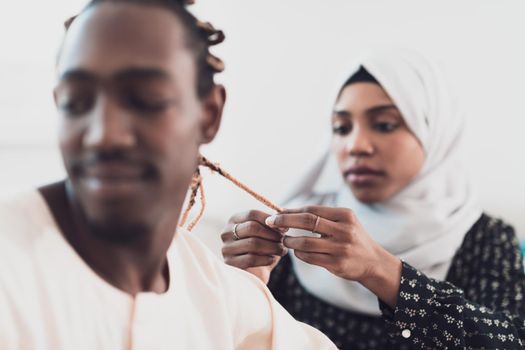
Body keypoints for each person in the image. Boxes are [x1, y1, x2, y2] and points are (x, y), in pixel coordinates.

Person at [0, 1, 337, 349]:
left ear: (208, 115)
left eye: (146, 100)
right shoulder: (11, 270)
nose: (104, 134)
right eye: (76, 101)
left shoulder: (211, 288)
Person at [221, 49, 525, 349]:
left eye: (384, 125)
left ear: (434, 133)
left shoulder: (483, 238)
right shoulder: (298, 230)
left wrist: (381, 270)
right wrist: (248, 283)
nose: (355, 145)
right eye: (342, 128)